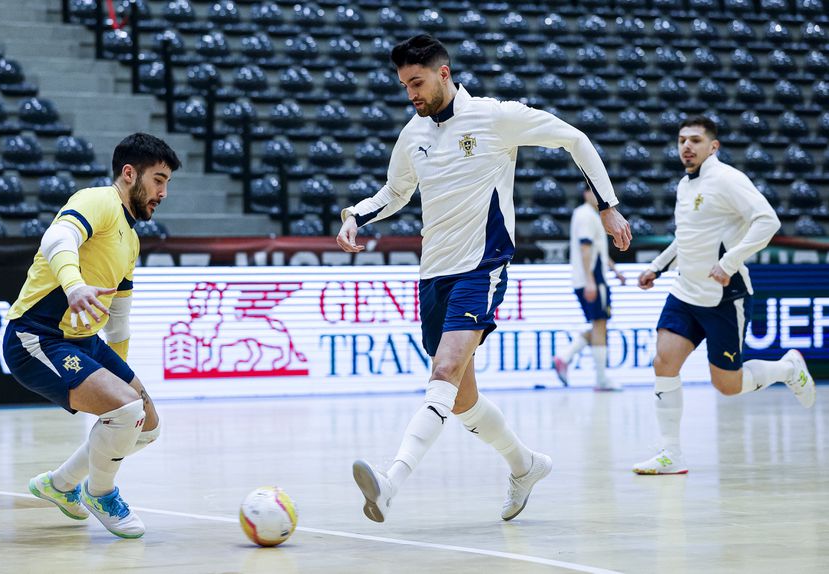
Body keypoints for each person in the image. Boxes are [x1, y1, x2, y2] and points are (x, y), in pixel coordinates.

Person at [336, 34, 631, 523]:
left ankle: (390, 484)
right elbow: (395, 190)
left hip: (481, 267)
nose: (411, 92)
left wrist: (608, 206)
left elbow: (573, 138)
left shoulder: (495, 116)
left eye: (417, 82)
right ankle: (525, 464)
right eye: (404, 84)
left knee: (443, 373)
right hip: (433, 276)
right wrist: (355, 216)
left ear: (444, 73)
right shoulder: (414, 134)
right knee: (460, 398)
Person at [3, 133, 181, 537]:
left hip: (86, 342)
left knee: (146, 424)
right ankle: (100, 492)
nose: (163, 192)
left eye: (167, 182)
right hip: (37, 337)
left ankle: (61, 485)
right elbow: (56, 238)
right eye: (158, 180)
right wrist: (73, 285)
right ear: (129, 173)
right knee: (125, 411)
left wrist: (122, 371)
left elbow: (118, 317)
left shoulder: (131, 238)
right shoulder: (96, 200)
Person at [632, 116, 816, 475]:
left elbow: (768, 221)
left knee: (727, 386)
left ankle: (787, 367)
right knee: (663, 363)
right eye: (682, 139)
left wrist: (730, 261)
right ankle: (671, 454)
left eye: (696, 140)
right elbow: (686, 236)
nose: (687, 146)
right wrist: (657, 266)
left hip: (722, 297)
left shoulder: (728, 180)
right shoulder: (686, 185)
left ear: (712, 146)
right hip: (684, 293)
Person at [554, 184, 627, 391]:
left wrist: (615, 271)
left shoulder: (590, 215)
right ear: (586, 194)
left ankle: (564, 357)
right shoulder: (587, 215)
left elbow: (597, 250)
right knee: (600, 326)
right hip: (592, 280)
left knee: (598, 328)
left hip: (590, 278)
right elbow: (585, 248)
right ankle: (602, 380)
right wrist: (591, 281)